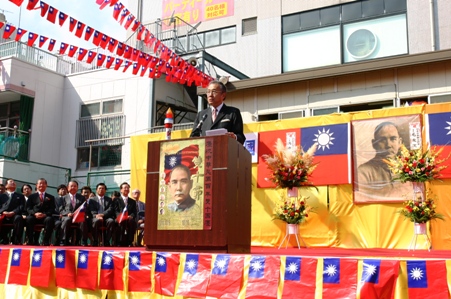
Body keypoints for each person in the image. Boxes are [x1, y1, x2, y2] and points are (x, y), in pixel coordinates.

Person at [357, 121, 411, 200]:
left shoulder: (409, 169)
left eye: (393, 139)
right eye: (382, 140)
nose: (388, 145)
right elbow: (361, 199)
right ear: (374, 144)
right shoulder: (363, 171)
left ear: (400, 142)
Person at [190, 80, 246, 145]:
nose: (210, 95)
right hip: (206, 152)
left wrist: (234, 137)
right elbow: (193, 136)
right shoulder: (201, 114)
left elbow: (241, 137)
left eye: (214, 91)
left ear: (223, 95)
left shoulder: (233, 112)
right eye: (208, 92)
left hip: (225, 151)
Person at [25, 178, 55, 246]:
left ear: (46, 185)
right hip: (34, 216)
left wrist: (44, 214)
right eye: (40, 183)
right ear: (36, 185)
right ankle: (30, 240)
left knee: (50, 219)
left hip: (45, 217)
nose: (42, 185)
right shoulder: (31, 196)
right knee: (29, 219)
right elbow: (28, 208)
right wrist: (35, 213)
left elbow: (52, 209)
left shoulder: (51, 197)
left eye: (43, 183)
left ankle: (46, 240)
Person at [59, 181, 87, 246]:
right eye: (71, 186)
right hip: (67, 216)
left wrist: (78, 214)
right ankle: (63, 240)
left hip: (78, 216)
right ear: (67, 187)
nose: (73, 187)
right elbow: (61, 209)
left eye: (75, 186)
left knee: (83, 221)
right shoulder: (63, 198)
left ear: (77, 188)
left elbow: (84, 208)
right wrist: (67, 213)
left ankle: (83, 241)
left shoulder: (82, 198)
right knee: (66, 220)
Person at [0, 179, 25, 245]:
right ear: (6, 185)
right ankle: (4, 239)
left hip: (14, 215)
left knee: (19, 218)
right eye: (11, 182)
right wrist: (3, 212)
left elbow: (21, 206)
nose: (13, 183)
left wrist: (13, 212)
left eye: (14, 182)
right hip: (3, 214)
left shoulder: (20, 196)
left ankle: (16, 240)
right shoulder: (2, 196)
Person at [114, 182, 137, 247]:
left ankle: (130, 242)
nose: (126, 189)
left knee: (132, 222)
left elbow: (134, 212)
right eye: (125, 188)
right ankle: (119, 241)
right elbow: (116, 210)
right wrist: (121, 216)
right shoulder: (116, 200)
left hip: (129, 218)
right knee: (121, 222)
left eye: (128, 188)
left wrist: (131, 216)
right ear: (121, 190)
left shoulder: (132, 201)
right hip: (119, 218)